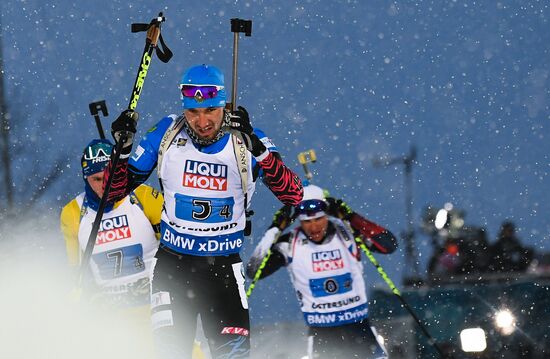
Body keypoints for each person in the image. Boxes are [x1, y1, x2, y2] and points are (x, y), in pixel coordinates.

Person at [104, 64, 303, 358]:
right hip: (173, 267)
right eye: (193, 112)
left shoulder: (245, 140)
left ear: (223, 104)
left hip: (222, 270)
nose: (202, 121)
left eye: (210, 110)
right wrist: (121, 149)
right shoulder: (167, 132)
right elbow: (113, 192)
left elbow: (293, 193)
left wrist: (258, 148)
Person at [246, 184, 397, 359]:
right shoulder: (290, 243)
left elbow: (389, 245)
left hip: (359, 330)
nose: (314, 227)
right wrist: (275, 228)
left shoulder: (348, 233)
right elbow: (254, 270)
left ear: (327, 215)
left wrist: (350, 216)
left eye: (318, 219)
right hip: (323, 335)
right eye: (307, 221)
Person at [59, 138, 165, 357]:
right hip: (112, 312)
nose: (103, 186)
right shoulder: (72, 213)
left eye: (109, 177)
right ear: (85, 177)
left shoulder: (144, 197)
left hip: (156, 304)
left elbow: (176, 249)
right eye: (96, 179)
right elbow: (75, 271)